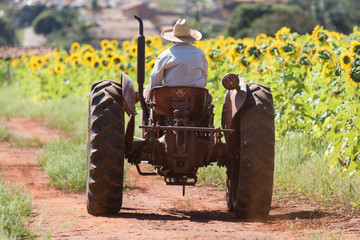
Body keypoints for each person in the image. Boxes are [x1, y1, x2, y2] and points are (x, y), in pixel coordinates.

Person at [149, 18, 208, 89]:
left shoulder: (165, 55)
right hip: (196, 96)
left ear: (173, 40)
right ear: (190, 40)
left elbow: (155, 81)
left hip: (169, 97)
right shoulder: (200, 54)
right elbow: (205, 76)